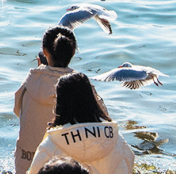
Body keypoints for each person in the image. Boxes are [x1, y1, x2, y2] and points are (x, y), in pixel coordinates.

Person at [15, 26, 108, 174]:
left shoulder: (28, 83)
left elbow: (18, 112)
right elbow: (102, 119)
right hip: (70, 168)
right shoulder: (81, 85)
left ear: (44, 52)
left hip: (25, 164)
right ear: (72, 52)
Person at [28, 72, 134, 174]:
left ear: (60, 102)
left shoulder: (50, 145)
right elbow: (128, 166)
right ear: (91, 98)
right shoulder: (117, 140)